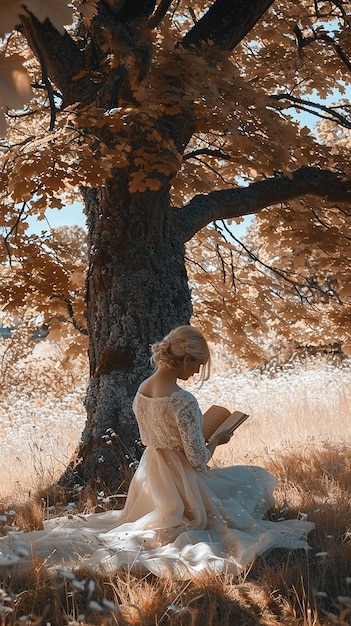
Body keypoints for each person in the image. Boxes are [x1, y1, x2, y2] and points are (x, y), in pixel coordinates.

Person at [0, 325, 314, 578]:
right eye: (198, 365)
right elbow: (198, 461)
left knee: (229, 490)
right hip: (180, 477)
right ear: (186, 360)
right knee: (254, 477)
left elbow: (159, 436)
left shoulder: (143, 390)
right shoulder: (183, 400)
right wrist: (217, 439)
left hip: (151, 473)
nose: (196, 372)